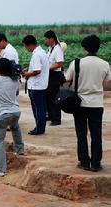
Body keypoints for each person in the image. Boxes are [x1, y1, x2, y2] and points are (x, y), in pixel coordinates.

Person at [66, 35, 111, 172]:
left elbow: (67, 80)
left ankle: (84, 161)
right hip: (97, 104)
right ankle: (96, 163)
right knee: (96, 134)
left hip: (79, 104)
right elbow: (107, 84)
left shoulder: (77, 63)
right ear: (98, 47)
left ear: (84, 48)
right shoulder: (104, 64)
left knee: (81, 133)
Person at [0, 58, 24, 177]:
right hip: (15, 111)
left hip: (2, 114)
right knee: (15, 127)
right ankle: (20, 150)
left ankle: (0, 170)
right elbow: (17, 93)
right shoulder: (15, 80)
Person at [22, 35, 49, 135]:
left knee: (38, 108)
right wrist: (28, 70)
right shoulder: (41, 52)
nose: (26, 49)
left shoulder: (37, 54)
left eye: (25, 46)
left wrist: (26, 74)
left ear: (29, 45)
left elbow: (37, 70)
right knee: (41, 107)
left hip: (36, 86)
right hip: (41, 85)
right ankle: (40, 127)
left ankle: (39, 128)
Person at [44, 30, 64, 126]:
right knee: (48, 96)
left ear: (52, 38)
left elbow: (59, 63)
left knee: (54, 97)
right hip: (49, 74)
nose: (45, 41)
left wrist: (47, 68)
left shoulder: (57, 49)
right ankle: (51, 115)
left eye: (46, 39)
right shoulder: (50, 48)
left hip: (55, 75)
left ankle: (56, 118)